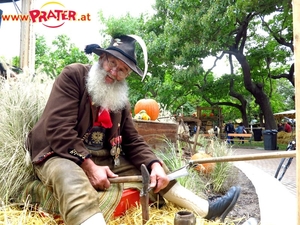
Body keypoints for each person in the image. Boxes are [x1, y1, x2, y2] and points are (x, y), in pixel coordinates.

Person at [26, 35, 240, 225]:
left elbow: (132, 140)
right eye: (112, 63)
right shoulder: (73, 75)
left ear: (127, 75)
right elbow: (58, 129)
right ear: (102, 58)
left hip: (101, 158)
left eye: (122, 70)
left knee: (153, 173)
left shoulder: (120, 100)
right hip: (59, 153)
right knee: (70, 176)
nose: (113, 72)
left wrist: (155, 164)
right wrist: (89, 167)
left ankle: (206, 209)